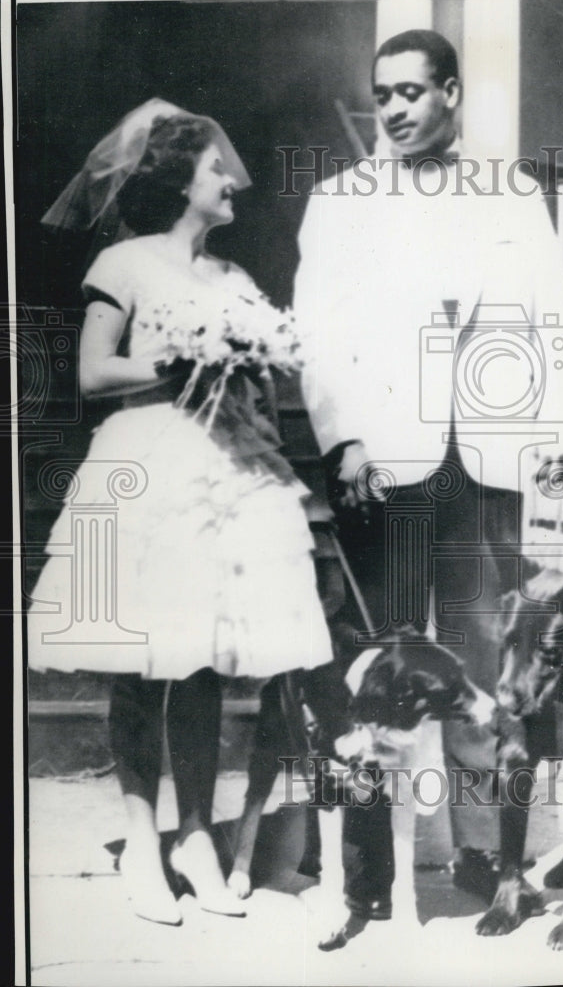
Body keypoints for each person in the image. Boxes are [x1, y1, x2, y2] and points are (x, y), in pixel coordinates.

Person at [294, 29, 563, 947]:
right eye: (380, 93)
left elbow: (552, 314)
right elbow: (318, 330)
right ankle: (362, 880)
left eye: (409, 92)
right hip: (382, 466)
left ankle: (485, 857)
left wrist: (562, 432)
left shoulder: (510, 195)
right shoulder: (339, 201)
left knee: (484, 677)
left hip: (485, 465)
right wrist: (341, 438)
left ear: (452, 93)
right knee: (374, 678)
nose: (391, 109)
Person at [28, 100, 336, 926]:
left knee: (203, 658)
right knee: (139, 660)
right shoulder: (123, 264)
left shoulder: (234, 280)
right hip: (148, 464)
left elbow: (261, 378)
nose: (231, 180)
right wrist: (176, 357)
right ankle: (140, 839)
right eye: (213, 169)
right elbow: (92, 375)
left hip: (224, 470)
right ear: (176, 182)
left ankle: (195, 833)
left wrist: (245, 363)